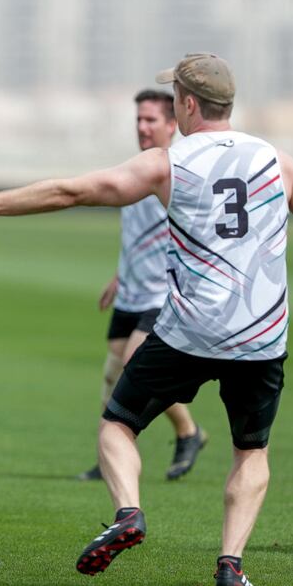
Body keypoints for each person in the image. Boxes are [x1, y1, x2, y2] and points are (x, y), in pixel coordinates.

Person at [0, 53, 293, 586]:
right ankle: (230, 566)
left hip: (189, 330)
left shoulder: (170, 161)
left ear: (186, 103)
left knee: (117, 424)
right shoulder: (277, 160)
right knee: (251, 452)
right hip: (261, 337)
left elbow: (75, 191)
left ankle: (129, 513)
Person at [77, 89, 207, 483]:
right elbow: (137, 234)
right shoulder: (134, 169)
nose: (142, 127)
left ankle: (178, 433)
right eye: (139, 119)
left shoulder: (178, 174)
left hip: (162, 294)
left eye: (151, 120)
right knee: (115, 367)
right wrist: (119, 277)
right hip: (131, 289)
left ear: (172, 125)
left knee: (136, 364)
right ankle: (115, 452)